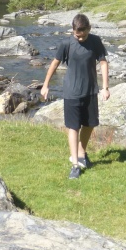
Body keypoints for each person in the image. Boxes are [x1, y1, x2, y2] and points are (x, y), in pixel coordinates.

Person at [41, 13, 110, 179]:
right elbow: (55, 63)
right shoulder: (66, 43)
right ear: (73, 31)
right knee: (73, 127)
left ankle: (81, 152)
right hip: (72, 92)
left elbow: (103, 62)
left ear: (89, 29)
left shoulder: (95, 41)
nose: (80, 39)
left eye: (83, 35)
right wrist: (45, 84)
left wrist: (105, 87)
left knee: (90, 124)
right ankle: (75, 165)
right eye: (77, 35)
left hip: (91, 91)